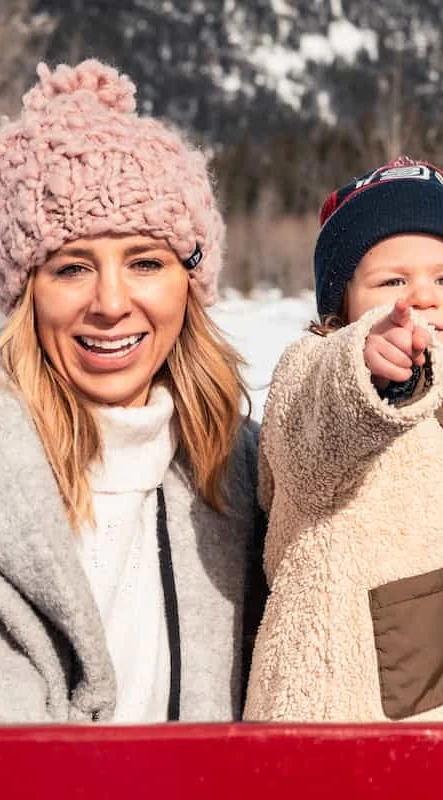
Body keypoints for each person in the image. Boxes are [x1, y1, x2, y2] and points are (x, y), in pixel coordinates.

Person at [0, 60, 265, 722]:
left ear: (190, 283)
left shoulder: (244, 469)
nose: (112, 303)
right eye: (71, 268)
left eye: (146, 262)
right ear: (23, 297)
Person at [243, 157, 443, 722]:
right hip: (345, 715)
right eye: (393, 282)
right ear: (342, 309)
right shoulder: (316, 374)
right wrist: (361, 364)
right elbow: (312, 437)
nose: (423, 297)